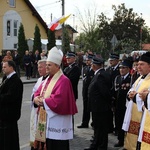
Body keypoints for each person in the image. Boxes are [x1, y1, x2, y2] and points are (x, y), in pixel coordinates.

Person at [33, 47, 78, 150]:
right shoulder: (47, 79)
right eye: (46, 65)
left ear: (57, 66)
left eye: (49, 65)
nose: (46, 67)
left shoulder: (64, 81)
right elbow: (37, 92)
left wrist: (42, 101)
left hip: (57, 124)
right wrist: (36, 99)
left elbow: (59, 101)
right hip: (46, 121)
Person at [122, 52, 150, 150]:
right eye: (138, 64)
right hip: (134, 113)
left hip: (143, 116)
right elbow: (133, 89)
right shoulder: (140, 78)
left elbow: (147, 98)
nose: (138, 67)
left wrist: (135, 97)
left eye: (142, 64)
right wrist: (130, 94)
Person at [84, 57, 111, 150]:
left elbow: (105, 92)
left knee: (101, 128)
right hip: (97, 106)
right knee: (97, 127)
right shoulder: (98, 74)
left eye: (92, 64)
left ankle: (101, 146)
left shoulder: (101, 75)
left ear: (94, 65)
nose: (91, 66)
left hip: (100, 107)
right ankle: (96, 144)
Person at [0, 60, 23, 150]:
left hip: (10, 115)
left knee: (9, 141)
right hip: (4, 115)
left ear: (11, 67)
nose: (3, 68)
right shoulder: (6, 78)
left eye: (5, 67)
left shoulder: (16, 81)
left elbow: (10, 97)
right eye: (2, 67)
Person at [30, 60, 48, 150]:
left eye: (41, 67)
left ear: (46, 67)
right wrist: (35, 98)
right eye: (38, 67)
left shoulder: (50, 80)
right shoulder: (39, 80)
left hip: (44, 112)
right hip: (38, 111)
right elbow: (33, 93)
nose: (39, 69)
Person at [113, 59, 132, 147]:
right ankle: (120, 140)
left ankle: (126, 141)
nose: (121, 70)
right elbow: (114, 91)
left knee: (126, 123)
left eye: (124, 68)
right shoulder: (117, 78)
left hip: (127, 106)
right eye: (120, 68)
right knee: (119, 123)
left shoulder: (131, 78)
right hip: (118, 105)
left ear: (128, 69)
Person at [77, 54, 94, 128]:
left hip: (92, 91)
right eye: (86, 60)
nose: (87, 62)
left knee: (93, 108)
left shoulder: (94, 69)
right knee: (86, 107)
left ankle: (94, 123)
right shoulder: (85, 68)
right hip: (85, 90)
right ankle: (85, 122)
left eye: (89, 60)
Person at [106, 53, 120, 134]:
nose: (111, 61)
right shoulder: (108, 69)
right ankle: (110, 127)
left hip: (116, 93)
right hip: (109, 93)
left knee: (117, 112)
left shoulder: (119, 69)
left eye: (112, 60)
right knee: (109, 112)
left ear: (117, 60)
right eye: (110, 60)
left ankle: (117, 128)